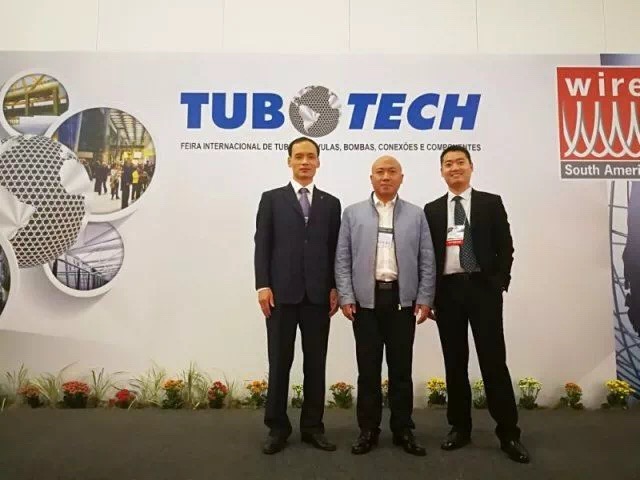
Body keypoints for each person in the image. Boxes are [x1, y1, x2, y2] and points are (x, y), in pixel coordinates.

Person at [423, 145, 530, 464]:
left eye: (460, 162)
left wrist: (498, 283)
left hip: (483, 291)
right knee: (454, 363)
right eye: (448, 164)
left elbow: (506, 247)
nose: (454, 168)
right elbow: (427, 256)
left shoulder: (490, 203)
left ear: (471, 167)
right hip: (448, 293)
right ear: (441, 171)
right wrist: (429, 296)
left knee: (493, 362)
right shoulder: (432, 210)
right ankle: (459, 427)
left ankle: (509, 433)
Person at [335, 155, 435, 456]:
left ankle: (403, 429)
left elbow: (427, 259)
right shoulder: (352, 214)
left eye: (392, 172)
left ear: (401, 178)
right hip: (365, 304)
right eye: (380, 172)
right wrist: (346, 296)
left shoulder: (416, 215)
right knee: (368, 371)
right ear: (371, 178)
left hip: (402, 302)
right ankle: (368, 429)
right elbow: (342, 258)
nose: (386, 176)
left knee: (401, 370)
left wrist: (425, 298)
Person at [254, 136, 341, 455]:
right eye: (299, 156)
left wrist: (335, 286)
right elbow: (262, 244)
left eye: (310, 156)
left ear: (318, 162)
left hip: (318, 296)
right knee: (279, 363)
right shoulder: (272, 199)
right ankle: (277, 427)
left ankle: (313, 427)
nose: (305, 162)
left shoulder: (331, 203)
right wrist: (262, 285)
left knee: (315, 364)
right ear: (289, 161)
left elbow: (335, 249)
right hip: (280, 295)